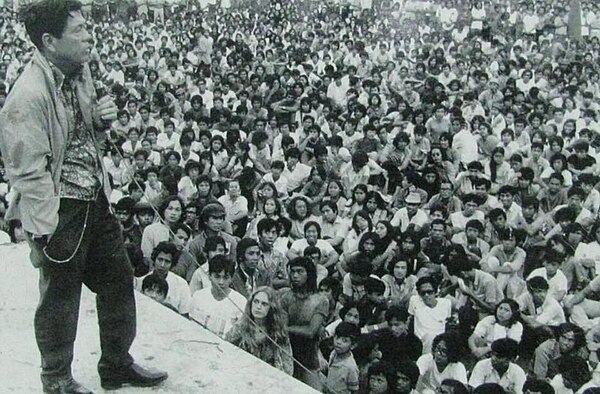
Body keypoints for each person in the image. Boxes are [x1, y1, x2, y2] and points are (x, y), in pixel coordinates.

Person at [0, 1, 167, 392]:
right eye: (78, 31)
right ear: (49, 41)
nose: (89, 37)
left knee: (118, 281)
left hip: (95, 196)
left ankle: (115, 365)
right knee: (60, 296)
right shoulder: (26, 96)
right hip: (61, 208)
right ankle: (56, 378)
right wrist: (47, 229)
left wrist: (100, 119)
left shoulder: (80, 71)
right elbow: (26, 171)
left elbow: (81, 129)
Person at [280, 256, 329, 390]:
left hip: (309, 356)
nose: (295, 275)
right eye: (293, 271)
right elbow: (281, 327)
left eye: (300, 271)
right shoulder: (286, 297)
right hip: (287, 353)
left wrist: (287, 328)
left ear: (309, 274)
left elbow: (311, 331)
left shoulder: (320, 300)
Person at [225, 286, 294, 375]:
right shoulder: (240, 327)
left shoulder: (278, 332)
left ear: (271, 308)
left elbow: (288, 366)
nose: (258, 307)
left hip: (269, 378)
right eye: (256, 302)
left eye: (264, 304)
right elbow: (225, 348)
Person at [189, 254, 247, 338]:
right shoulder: (198, 296)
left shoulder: (240, 301)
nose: (221, 282)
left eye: (226, 277)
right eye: (217, 277)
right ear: (209, 276)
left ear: (232, 278)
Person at [325, 321, 361, 394]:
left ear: (353, 345)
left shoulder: (351, 368)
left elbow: (354, 390)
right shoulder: (334, 353)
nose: (338, 342)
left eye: (344, 341)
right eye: (337, 337)